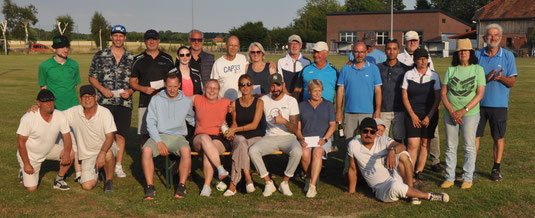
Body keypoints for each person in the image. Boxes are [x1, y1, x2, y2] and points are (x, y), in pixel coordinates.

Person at [347, 117, 449, 205]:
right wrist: (351, 192)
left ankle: (410, 188)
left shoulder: (381, 140)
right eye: (365, 131)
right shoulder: (353, 145)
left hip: (394, 176)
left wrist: (392, 151)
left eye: (372, 132)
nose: (369, 134)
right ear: (360, 132)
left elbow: (402, 146)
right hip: (381, 187)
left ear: (376, 133)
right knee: (395, 186)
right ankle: (428, 196)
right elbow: (352, 169)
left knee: (403, 154)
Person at [88, 25, 134, 178]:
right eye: (115, 36)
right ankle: (102, 164)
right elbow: (92, 76)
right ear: (111, 37)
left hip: (124, 103)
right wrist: (102, 89)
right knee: (103, 135)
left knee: (120, 135)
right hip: (104, 102)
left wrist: (131, 91)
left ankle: (118, 165)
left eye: (121, 36)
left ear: (125, 37)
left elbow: (136, 80)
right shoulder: (101, 55)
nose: (118, 38)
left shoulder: (131, 57)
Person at [440, 39, 486, 190]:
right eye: (460, 51)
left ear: (471, 53)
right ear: (457, 54)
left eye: (466, 50)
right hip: (450, 114)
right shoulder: (451, 70)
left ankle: (467, 177)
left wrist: (463, 110)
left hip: (470, 114)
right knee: (450, 147)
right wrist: (453, 111)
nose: (463, 53)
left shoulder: (478, 69)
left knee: (469, 146)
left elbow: (479, 94)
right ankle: (449, 177)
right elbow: (444, 93)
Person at [475, 23, 518, 182]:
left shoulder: (508, 56)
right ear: (485, 37)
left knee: (498, 137)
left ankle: (496, 168)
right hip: (477, 104)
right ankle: (470, 167)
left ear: (500, 38)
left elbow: (512, 82)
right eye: (489, 35)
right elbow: (472, 80)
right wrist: (485, 78)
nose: (492, 38)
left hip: (499, 105)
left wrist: (501, 78)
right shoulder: (477, 55)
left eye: (496, 35)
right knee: (474, 137)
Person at [142, 73, 195, 200]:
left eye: (175, 86)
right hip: (159, 136)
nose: (172, 89)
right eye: (169, 86)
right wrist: (159, 141)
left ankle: (182, 186)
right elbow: (150, 122)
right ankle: (150, 187)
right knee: (146, 150)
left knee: (186, 150)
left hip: (178, 137)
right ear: (165, 84)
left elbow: (192, 119)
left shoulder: (186, 101)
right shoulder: (155, 99)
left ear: (179, 85)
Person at [249, 73, 302, 197]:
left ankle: (284, 182)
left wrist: (283, 121)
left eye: (278, 85)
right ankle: (268, 182)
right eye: (272, 86)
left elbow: (294, 128)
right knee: (253, 151)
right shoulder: (264, 100)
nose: (275, 88)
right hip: (270, 137)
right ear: (269, 87)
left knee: (297, 152)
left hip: (288, 137)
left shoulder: (291, 101)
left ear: (283, 85)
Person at [397, 30, 443, 173]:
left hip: (429, 114)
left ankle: (419, 172)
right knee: (412, 144)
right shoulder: (408, 74)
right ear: (415, 60)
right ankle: (409, 171)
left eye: (425, 59)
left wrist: (429, 116)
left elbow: (437, 97)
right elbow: (404, 95)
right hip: (413, 114)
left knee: (426, 143)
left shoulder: (434, 75)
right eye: (419, 59)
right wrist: (412, 114)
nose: (422, 61)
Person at [63, 85, 118, 193]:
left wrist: (102, 153)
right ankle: (99, 172)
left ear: (96, 97)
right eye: (84, 97)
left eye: (90, 96)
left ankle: (108, 181)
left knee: (107, 154)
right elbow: (57, 116)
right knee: (87, 186)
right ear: (80, 99)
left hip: (105, 148)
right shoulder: (74, 112)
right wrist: (36, 108)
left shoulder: (105, 113)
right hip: (87, 154)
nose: (87, 99)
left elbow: (110, 137)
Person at [17, 89, 73, 191]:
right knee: (32, 188)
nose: (49, 104)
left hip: (49, 149)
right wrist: (26, 164)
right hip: (30, 156)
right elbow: (21, 143)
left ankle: (59, 180)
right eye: (45, 101)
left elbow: (67, 137)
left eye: (51, 101)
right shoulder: (28, 118)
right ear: (38, 103)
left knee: (71, 153)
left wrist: (67, 152)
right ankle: (23, 171)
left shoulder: (60, 115)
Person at [222, 74, 265, 196]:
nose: (245, 87)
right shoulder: (235, 103)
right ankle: (248, 178)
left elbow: (254, 125)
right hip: (240, 137)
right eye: (242, 84)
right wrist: (230, 130)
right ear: (239, 87)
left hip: (255, 137)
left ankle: (233, 184)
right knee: (241, 142)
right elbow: (235, 123)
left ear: (252, 87)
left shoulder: (259, 102)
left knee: (241, 145)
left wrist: (236, 130)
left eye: (248, 84)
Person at [130, 29, 175, 146]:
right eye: (149, 39)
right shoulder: (138, 59)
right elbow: (132, 82)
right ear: (145, 41)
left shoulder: (167, 58)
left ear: (158, 40)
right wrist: (143, 89)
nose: (151, 42)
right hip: (145, 102)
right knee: (145, 134)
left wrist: (166, 86)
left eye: (154, 39)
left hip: (166, 102)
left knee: (168, 133)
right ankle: (145, 162)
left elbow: (174, 80)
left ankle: (167, 162)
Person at [191, 79, 231, 197]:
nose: (212, 91)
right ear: (204, 89)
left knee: (208, 151)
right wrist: (161, 93)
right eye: (209, 88)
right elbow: (179, 97)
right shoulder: (197, 99)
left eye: (215, 88)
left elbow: (243, 105)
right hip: (199, 137)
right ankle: (220, 168)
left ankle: (207, 186)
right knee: (204, 138)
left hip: (218, 138)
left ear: (219, 91)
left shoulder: (226, 102)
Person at [296, 79, 336, 198]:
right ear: (309, 91)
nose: (318, 94)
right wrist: (301, 139)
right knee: (305, 153)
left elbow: (333, 126)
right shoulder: (302, 106)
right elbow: (298, 128)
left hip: (323, 138)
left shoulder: (328, 105)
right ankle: (308, 178)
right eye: (315, 91)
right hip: (306, 138)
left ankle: (312, 186)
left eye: (320, 91)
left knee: (318, 151)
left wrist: (324, 139)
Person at [337, 41, 382, 140]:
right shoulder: (345, 69)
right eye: (357, 52)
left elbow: (378, 91)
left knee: (367, 141)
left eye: (362, 52)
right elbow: (340, 91)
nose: (359, 55)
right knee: (348, 142)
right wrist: (338, 111)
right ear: (352, 52)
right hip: (349, 112)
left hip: (367, 112)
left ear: (366, 52)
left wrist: (377, 110)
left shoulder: (374, 69)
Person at [377, 39, 411, 142]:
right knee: (381, 140)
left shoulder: (405, 69)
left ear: (398, 50)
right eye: (389, 49)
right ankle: (383, 158)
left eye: (394, 49)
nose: (391, 52)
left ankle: (397, 158)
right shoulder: (378, 68)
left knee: (398, 140)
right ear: (385, 50)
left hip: (399, 110)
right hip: (383, 110)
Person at [38, 35, 81, 111]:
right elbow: (43, 89)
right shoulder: (44, 66)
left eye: (67, 47)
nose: (65, 50)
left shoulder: (74, 64)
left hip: (73, 108)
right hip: (55, 108)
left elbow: (75, 86)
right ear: (54, 49)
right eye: (61, 47)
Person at [211, 35, 247, 100]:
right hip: (223, 102)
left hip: (240, 102)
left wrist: (269, 64)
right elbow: (214, 85)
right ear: (226, 45)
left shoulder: (243, 59)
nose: (233, 48)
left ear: (239, 47)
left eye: (236, 46)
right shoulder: (218, 63)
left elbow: (255, 64)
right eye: (231, 45)